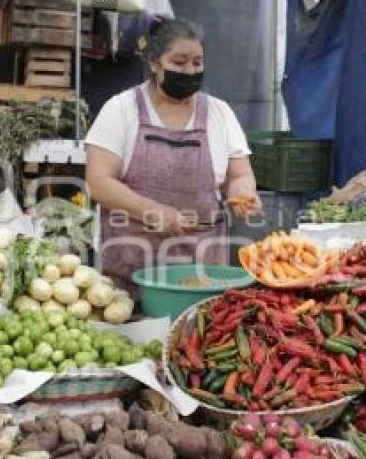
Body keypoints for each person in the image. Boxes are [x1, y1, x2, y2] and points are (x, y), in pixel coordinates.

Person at [86, 17, 262, 296]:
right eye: (179, 63)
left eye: (197, 62)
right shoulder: (121, 110)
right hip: (132, 269)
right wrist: (152, 212)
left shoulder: (219, 112)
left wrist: (244, 194)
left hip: (202, 270)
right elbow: (99, 182)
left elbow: (239, 174)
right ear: (154, 63)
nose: (190, 71)